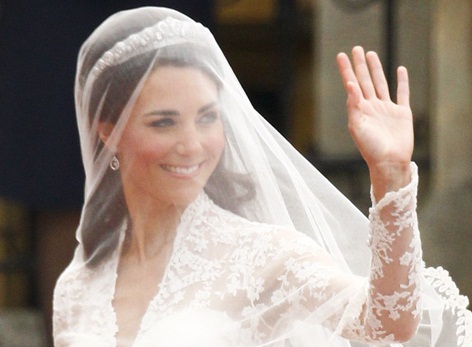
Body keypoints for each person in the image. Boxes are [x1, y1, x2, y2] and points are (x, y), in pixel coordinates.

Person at [53, 6, 471, 346]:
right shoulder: (77, 286)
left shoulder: (262, 255)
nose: (192, 144)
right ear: (108, 131)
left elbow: (389, 324)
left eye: (207, 118)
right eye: (164, 123)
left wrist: (391, 175)